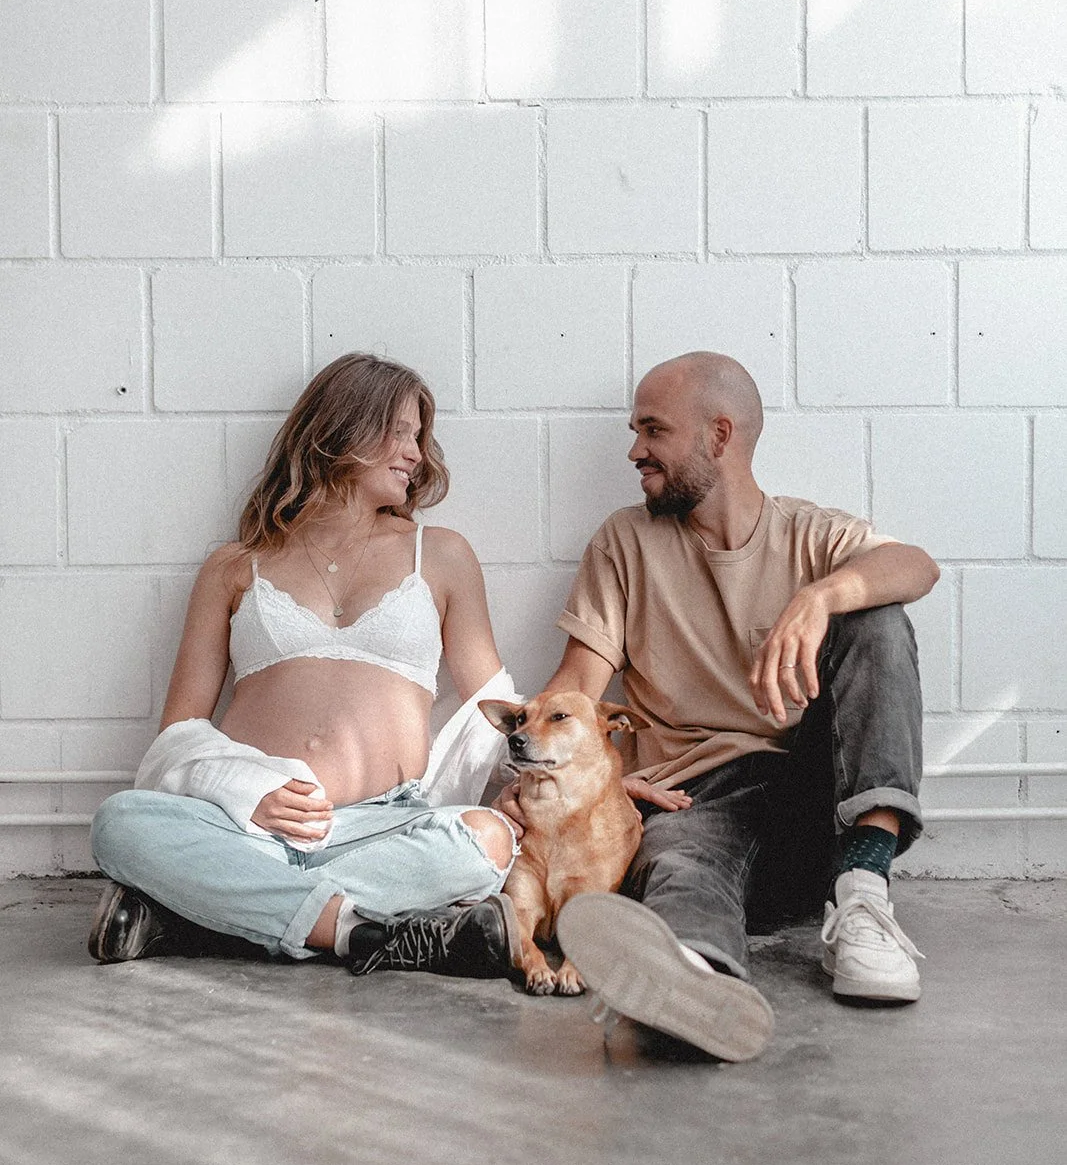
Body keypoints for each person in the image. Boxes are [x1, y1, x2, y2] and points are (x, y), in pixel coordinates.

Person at [517, 351, 939, 1062]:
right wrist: (569, 780)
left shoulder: (808, 535)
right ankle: (692, 982)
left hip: (811, 803)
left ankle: (863, 893)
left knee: (877, 617)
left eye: (652, 431)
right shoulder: (624, 542)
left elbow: (916, 565)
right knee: (679, 868)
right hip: (690, 802)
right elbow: (574, 688)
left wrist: (819, 598)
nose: (634, 450)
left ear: (718, 436)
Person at [88, 353, 524, 979]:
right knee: (119, 823)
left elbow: (496, 709)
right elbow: (176, 736)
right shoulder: (236, 565)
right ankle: (362, 931)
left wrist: (571, 778)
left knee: (487, 839)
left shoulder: (443, 555)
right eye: (399, 431)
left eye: (420, 438)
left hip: (384, 822)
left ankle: (204, 917)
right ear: (342, 429)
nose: (416, 454)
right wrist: (245, 794)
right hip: (243, 823)